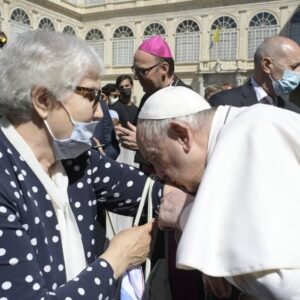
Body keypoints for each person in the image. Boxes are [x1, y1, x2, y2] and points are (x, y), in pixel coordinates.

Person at [0, 30, 182, 299]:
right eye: (91, 96)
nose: (100, 111)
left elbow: (149, 191)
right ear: (43, 100)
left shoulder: (76, 160)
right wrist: (115, 261)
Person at [137, 85, 300, 299]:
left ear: (181, 135)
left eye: (157, 158)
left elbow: (282, 285)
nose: (159, 173)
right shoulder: (242, 128)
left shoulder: (249, 135)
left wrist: (187, 214)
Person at [115, 35, 192, 173]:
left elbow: (189, 151)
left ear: (164, 68)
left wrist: (143, 144)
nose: (136, 78)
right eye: (135, 70)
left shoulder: (188, 99)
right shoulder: (147, 97)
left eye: (142, 71)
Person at [208, 36, 300, 113]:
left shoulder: (293, 112)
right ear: (267, 65)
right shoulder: (223, 103)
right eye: (293, 67)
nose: (298, 72)